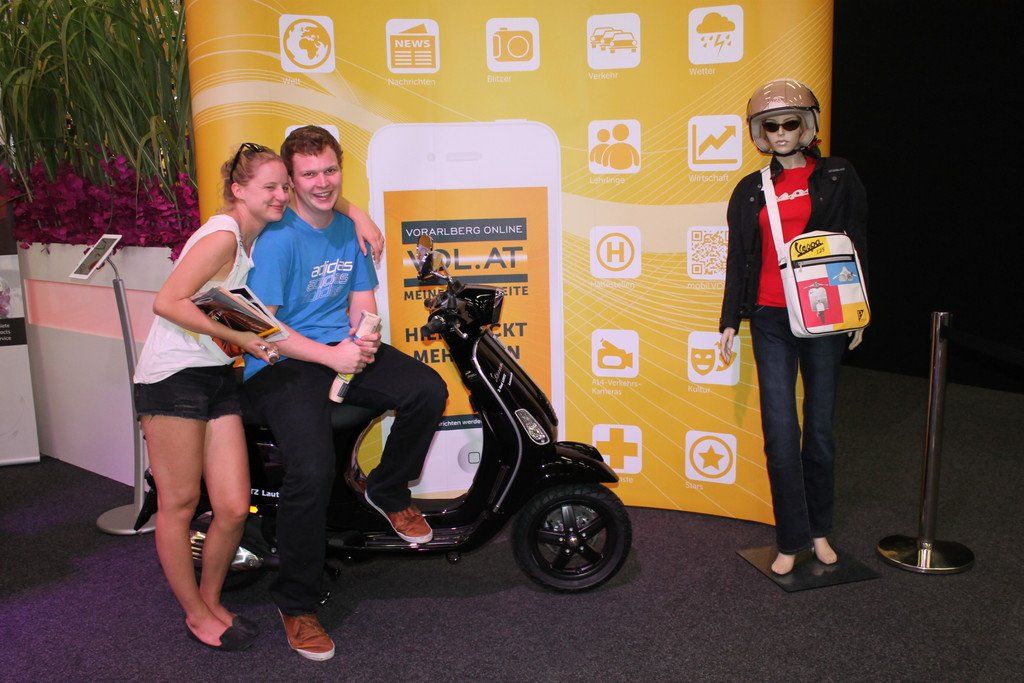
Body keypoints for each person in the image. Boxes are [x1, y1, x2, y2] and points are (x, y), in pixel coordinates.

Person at [242, 125, 448, 661]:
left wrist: (363, 337)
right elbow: (265, 329)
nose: (322, 182)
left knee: (426, 389)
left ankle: (388, 490)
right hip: (282, 365)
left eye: (330, 170)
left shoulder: (346, 229)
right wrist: (333, 356)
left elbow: (361, 300)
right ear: (291, 180)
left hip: (339, 348)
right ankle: (296, 603)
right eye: (309, 173)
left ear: (340, 170)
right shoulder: (279, 239)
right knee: (311, 469)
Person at [133, 143, 288, 650]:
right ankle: (196, 615)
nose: (281, 195)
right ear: (238, 190)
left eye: (285, 185)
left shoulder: (244, 240)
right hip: (173, 379)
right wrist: (243, 337)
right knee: (179, 504)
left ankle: (212, 599)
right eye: (270, 186)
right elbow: (167, 301)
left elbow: (210, 306)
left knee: (234, 506)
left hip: (216, 376)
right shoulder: (223, 235)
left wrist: (245, 333)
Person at [718, 79, 868, 576]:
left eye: (790, 123)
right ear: (759, 133)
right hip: (769, 317)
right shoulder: (750, 189)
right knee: (780, 432)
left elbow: (856, 243)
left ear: (807, 126)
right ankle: (791, 538)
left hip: (825, 315)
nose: (781, 132)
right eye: (771, 126)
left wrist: (860, 309)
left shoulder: (838, 175)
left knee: (819, 431)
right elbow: (738, 257)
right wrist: (729, 321)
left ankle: (820, 530)